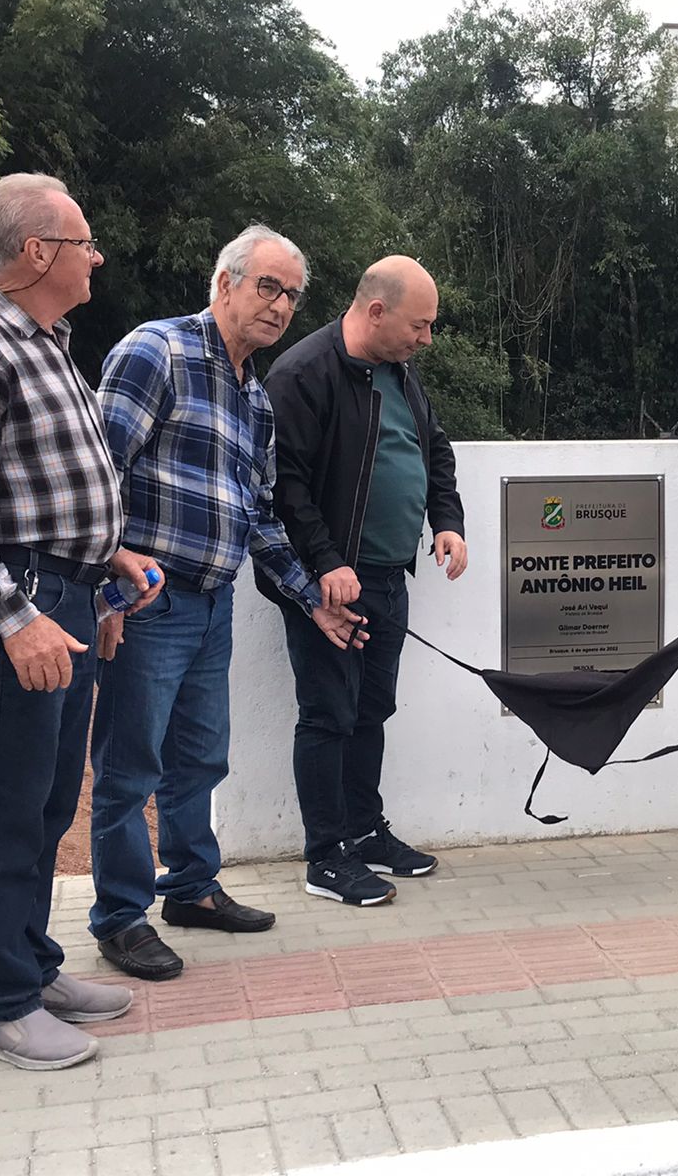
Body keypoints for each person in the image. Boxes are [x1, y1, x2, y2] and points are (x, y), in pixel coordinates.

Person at [0, 173, 159, 1070]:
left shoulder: (46, 340)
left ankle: (30, 965)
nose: (96, 256)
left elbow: (50, 483)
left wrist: (110, 558)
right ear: (38, 252)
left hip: (66, 594)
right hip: (20, 604)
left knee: (49, 802)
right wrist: (16, 621)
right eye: (84, 241)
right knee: (5, 810)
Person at [90, 226, 368, 981]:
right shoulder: (159, 352)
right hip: (147, 602)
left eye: (291, 295)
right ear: (225, 283)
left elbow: (262, 517)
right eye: (266, 287)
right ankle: (119, 916)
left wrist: (312, 600)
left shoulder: (255, 395)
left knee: (199, 759)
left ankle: (190, 889)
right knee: (129, 768)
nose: (279, 306)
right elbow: (96, 477)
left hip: (212, 603)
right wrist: (103, 591)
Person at [263, 255, 466, 906]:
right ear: (376, 311)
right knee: (328, 714)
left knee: (372, 709)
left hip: (387, 576)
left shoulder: (400, 373)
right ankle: (325, 859)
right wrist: (327, 563)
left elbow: (433, 448)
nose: (426, 340)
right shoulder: (303, 373)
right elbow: (284, 485)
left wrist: (447, 520)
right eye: (420, 325)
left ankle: (364, 832)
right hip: (332, 586)